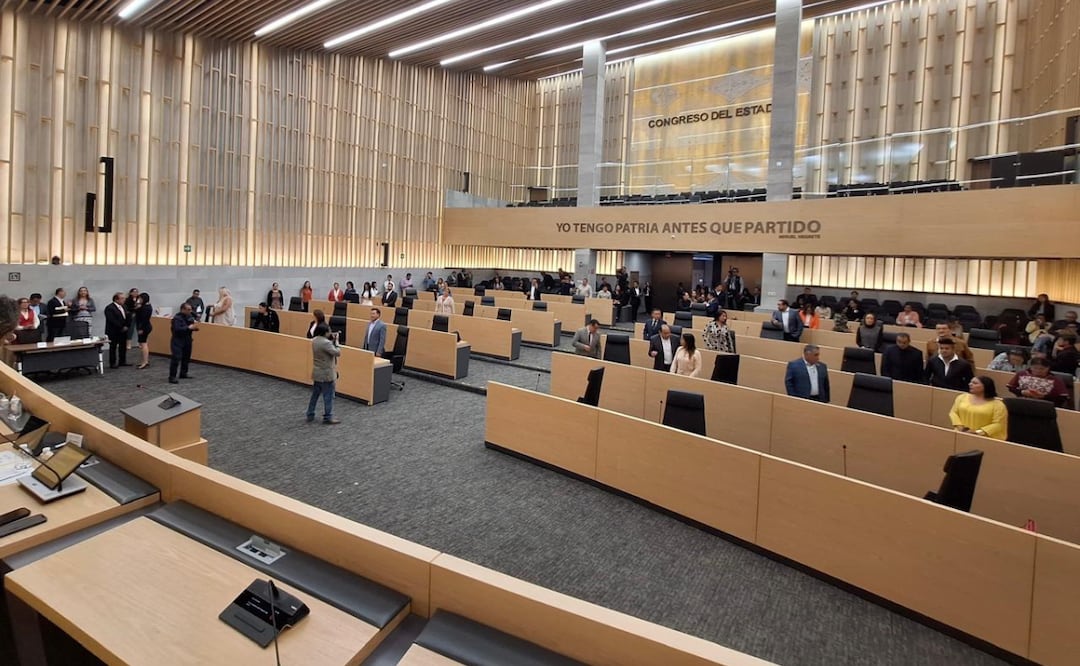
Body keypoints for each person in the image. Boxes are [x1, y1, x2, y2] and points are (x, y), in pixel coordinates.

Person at [306, 323, 341, 424]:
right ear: (325, 332)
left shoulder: (315, 340)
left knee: (315, 394)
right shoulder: (326, 343)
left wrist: (331, 341)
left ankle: (310, 413)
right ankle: (328, 417)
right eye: (329, 331)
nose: (330, 332)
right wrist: (336, 342)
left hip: (317, 372)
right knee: (328, 396)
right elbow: (337, 352)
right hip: (326, 374)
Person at [168, 303, 198, 384]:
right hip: (178, 340)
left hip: (187, 339)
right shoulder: (177, 318)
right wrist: (188, 327)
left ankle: (183, 373)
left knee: (186, 358)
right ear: (182, 309)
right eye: (188, 310)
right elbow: (177, 329)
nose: (190, 311)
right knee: (176, 358)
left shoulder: (189, 317)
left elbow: (192, 326)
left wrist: (194, 328)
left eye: (190, 309)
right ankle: (172, 377)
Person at [104, 292, 131, 369]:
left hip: (124, 330)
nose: (124, 300)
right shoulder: (109, 308)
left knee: (123, 346)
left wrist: (127, 326)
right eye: (122, 298)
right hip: (114, 331)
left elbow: (128, 316)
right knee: (113, 347)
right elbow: (112, 320)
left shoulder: (124, 306)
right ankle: (112, 363)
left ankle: (122, 361)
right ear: (116, 299)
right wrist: (121, 327)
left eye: (124, 298)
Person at [134, 292, 154, 369]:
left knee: (143, 344)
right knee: (143, 344)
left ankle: (145, 362)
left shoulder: (146, 308)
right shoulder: (145, 306)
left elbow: (144, 319)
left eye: (140, 298)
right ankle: (145, 361)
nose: (139, 300)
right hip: (144, 326)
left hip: (144, 327)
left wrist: (141, 329)